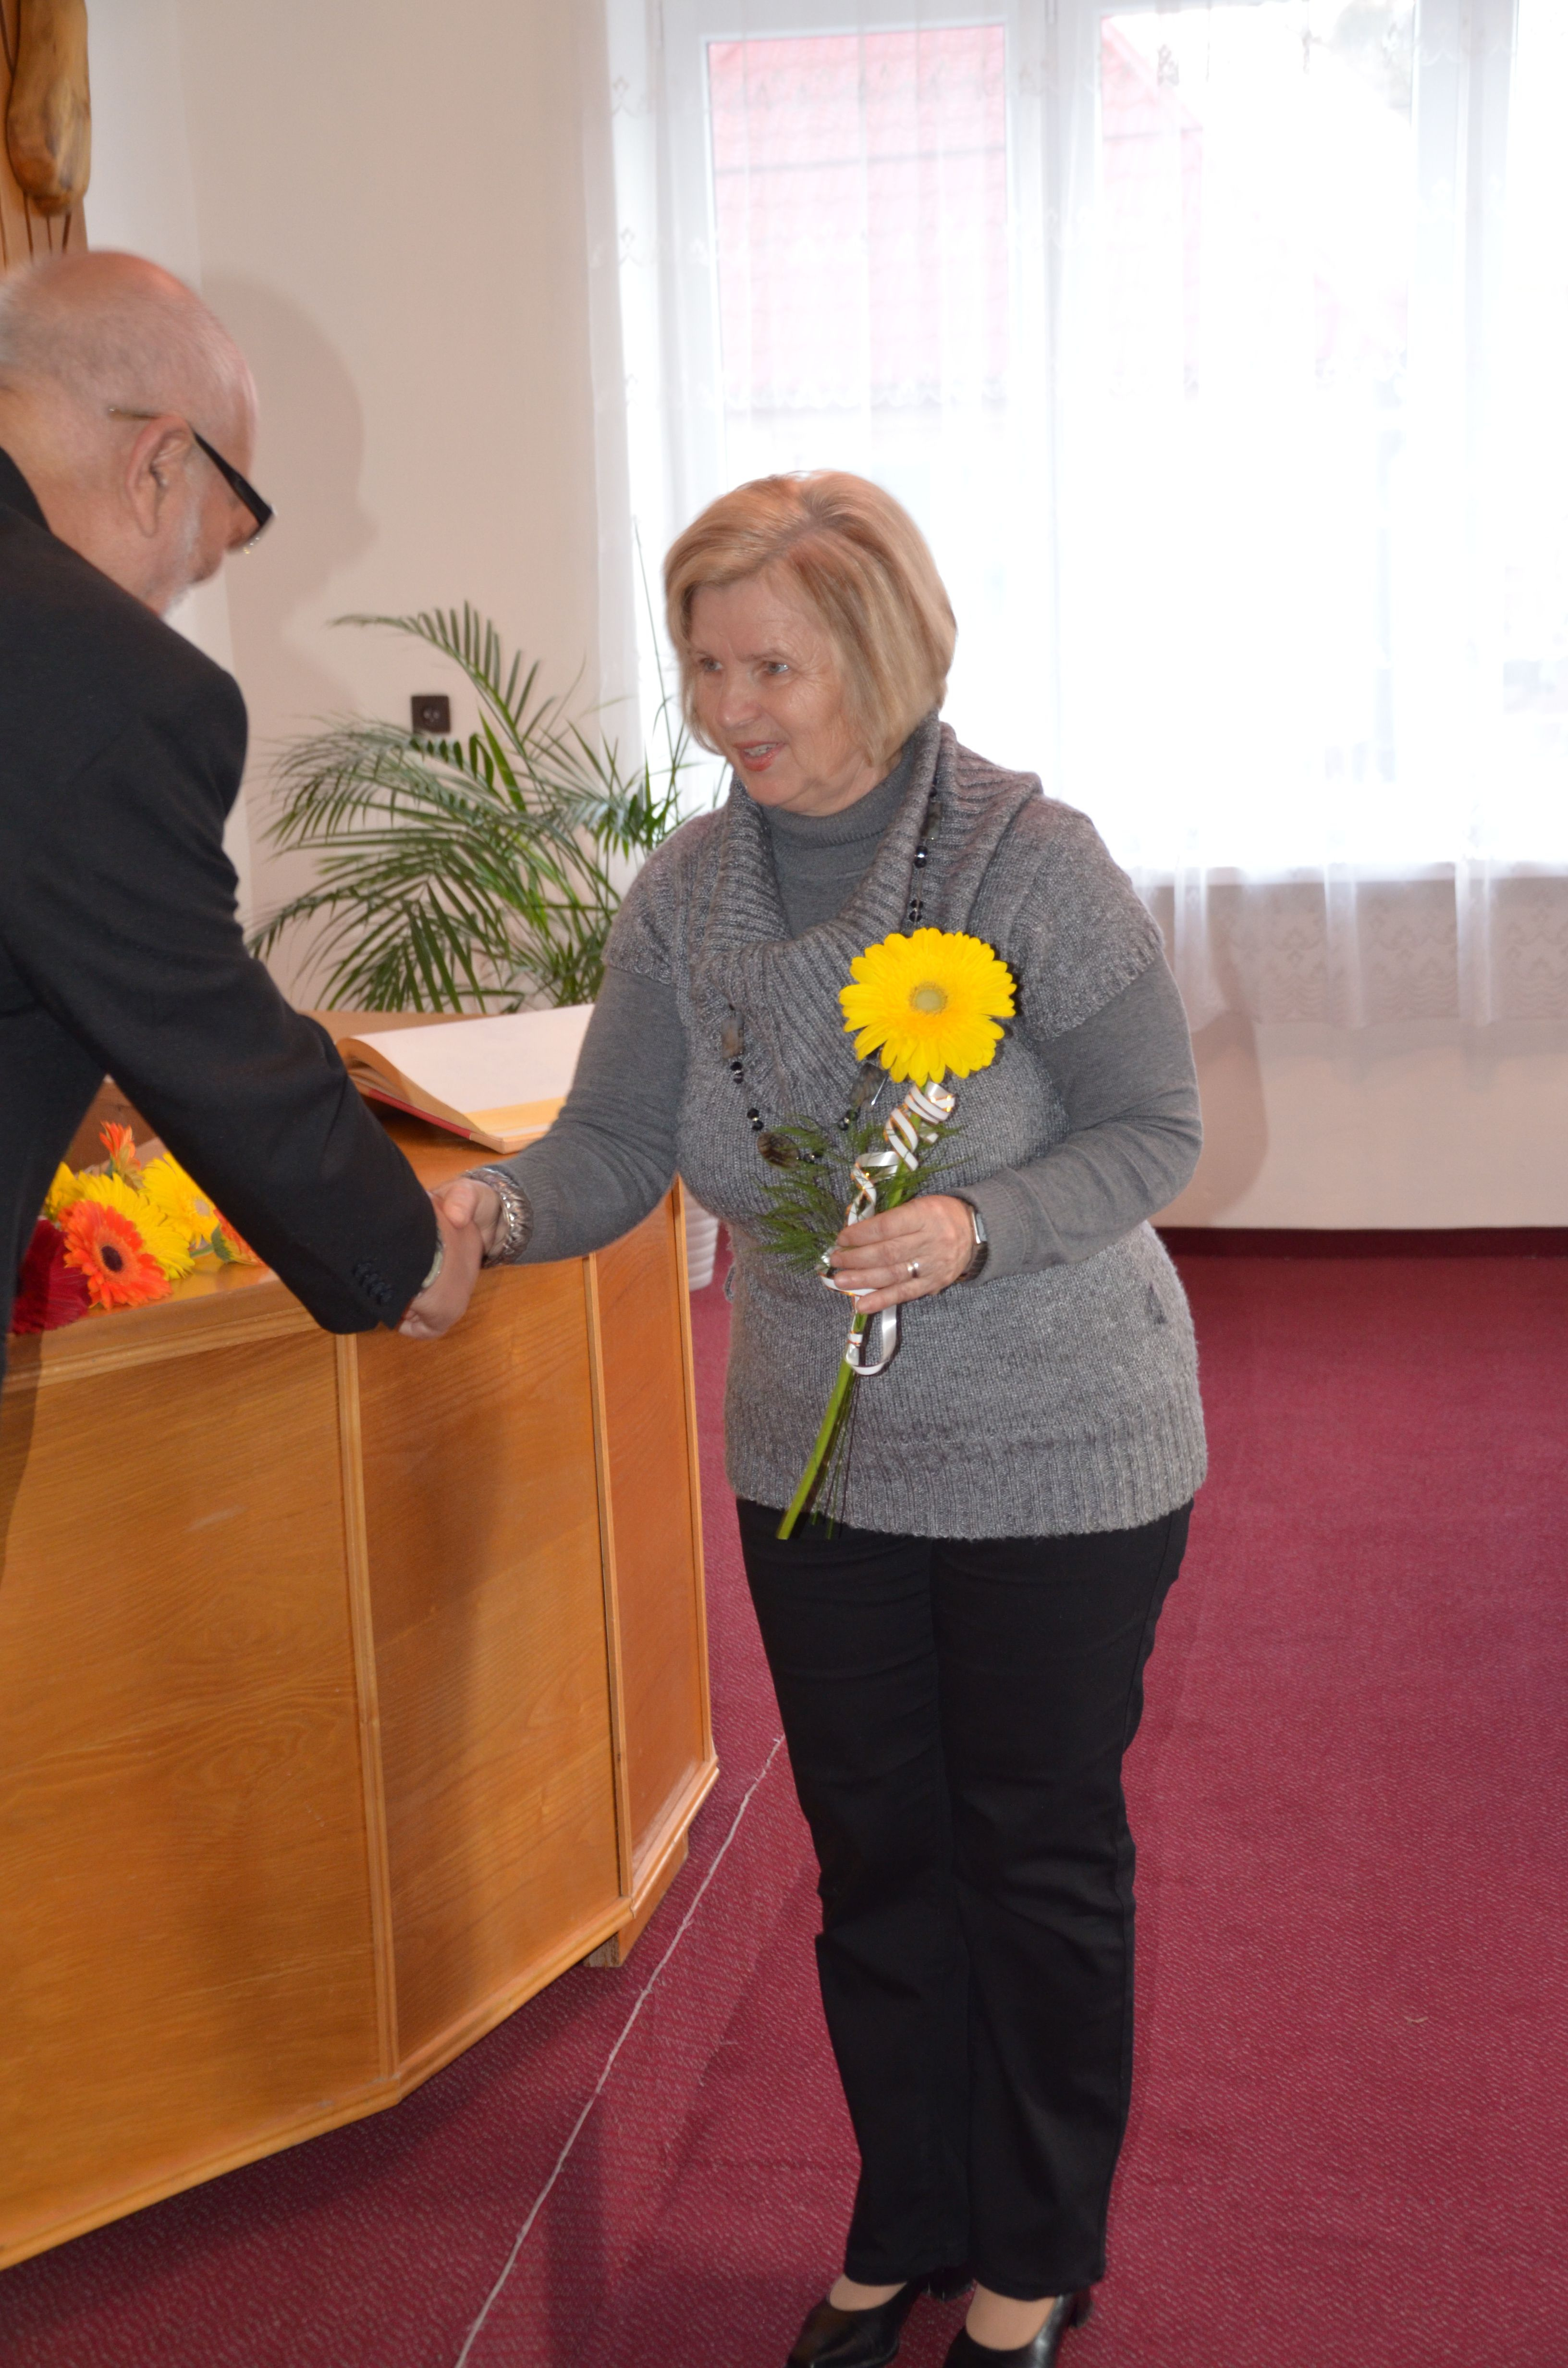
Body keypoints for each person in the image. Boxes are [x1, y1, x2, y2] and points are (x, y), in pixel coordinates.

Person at [433, 472, 1207, 2367]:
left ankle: (1034, 2250)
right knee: (876, 1855)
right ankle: (907, 2212)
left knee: (1031, 1849)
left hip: (1060, 1441)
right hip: (818, 1458)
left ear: (881, 653)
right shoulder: (687, 894)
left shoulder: (1027, 860)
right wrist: (492, 1212)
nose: (732, 707)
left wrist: (976, 1221)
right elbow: (614, 1144)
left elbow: (1153, 1125)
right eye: (706, 665)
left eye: (771, 664)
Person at [0, 250, 479, 1382]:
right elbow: (196, 1022)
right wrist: (407, 1254)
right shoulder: (88, 666)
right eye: (189, 572)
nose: (160, 610)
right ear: (159, 463)